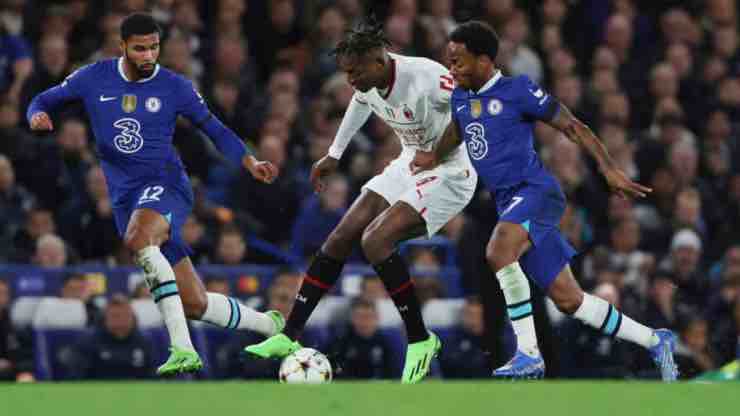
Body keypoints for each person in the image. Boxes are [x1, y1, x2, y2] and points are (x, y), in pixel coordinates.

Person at [411, 21, 677, 381]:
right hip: (509, 202)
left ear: (485, 60)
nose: (452, 69)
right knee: (569, 300)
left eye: (458, 61)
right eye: (449, 61)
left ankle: (529, 354)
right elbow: (457, 131)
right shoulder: (461, 97)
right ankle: (655, 340)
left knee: (498, 252)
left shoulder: (517, 90)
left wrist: (609, 170)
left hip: (536, 191)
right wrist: (432, 156)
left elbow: (573, 126)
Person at [26, 13, 284, 376]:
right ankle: (271, 327)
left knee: (139, 237)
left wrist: (249, 160)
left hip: (168, 185)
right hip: (125, 198)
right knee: (193, 302)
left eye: (154, 47)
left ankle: (182, 347)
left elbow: (214, 128)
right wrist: (36, 115)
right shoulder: (92, 77)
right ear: (123, 47)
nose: (149, 55)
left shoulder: (174, 86)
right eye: (140, 49)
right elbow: (43, 98)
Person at [245, 20, 478, 384]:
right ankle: (288, 334)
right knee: (341, 236)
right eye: (346, 73)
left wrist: (436, 153)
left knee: (374, 240)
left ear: (379, 60)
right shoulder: (367, 83)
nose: (350, 80)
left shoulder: (426, 76)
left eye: (355, 72)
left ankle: (420, 338)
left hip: (451, 172)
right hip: (411, 160)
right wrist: (335, 153)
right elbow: (360, 102)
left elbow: (469, 110)